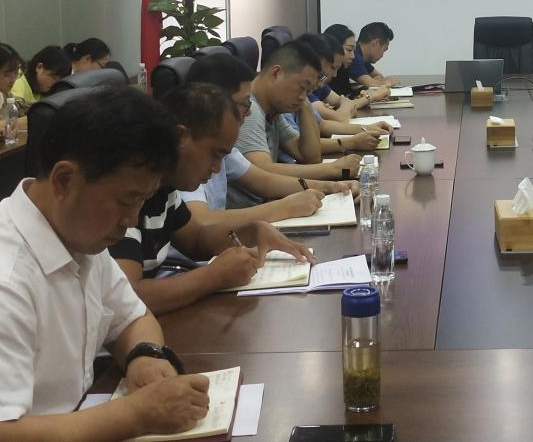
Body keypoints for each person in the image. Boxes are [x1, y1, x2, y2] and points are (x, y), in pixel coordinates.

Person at [0, 87, 213, 442]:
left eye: (142, 200)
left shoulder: (78, 235)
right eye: (127, 200)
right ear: (65, 180)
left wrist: (145, 356)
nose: (132, 220)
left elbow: (133, 317)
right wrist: (137, 413)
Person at [109, 83, 315, 314]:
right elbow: (127, 298)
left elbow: (196, 238)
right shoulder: (127, 196)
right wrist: (213, 277)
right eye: (215, 154)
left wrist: (252, 231)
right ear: (180, 137)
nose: (217, 168)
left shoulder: (165, 188)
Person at [180, 54, 329, 223]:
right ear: (211, 100)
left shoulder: (222, 145)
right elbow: (201, 222)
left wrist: (333, 186)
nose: (249, 112)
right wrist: (285, 207)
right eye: (245, 103)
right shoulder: (187, 153)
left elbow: (265, 181)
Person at [230, 41, 362, 209]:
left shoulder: (272, 109)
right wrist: (334, 169)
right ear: (276, 73)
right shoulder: (249, 110)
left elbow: (309, 156)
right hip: (249, 211)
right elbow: (264, 171)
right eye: (301, 87)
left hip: (266, 204)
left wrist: (305, 105)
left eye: (308, 92)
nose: (302, 96)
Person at [311, 31, 387, 122]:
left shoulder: (321, 82)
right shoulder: (311, 87)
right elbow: (341, 117)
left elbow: (345, 103)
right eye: (349, 50)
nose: (334, 74)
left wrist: (343, 109)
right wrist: (371, 96)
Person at [348, 22, 397, 90]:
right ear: (376, 43)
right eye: (384, 50)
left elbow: (378, 75)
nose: (382, 55)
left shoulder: (362, 56)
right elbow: (370, 83)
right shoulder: (354, 55)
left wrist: (377, 81)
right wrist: (388, 82)